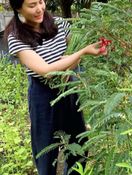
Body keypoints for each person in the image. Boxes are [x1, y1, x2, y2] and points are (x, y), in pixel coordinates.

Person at [4, 0, 107, 175]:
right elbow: (46, 71)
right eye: (31, 5)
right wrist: (81, 52)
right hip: (42, 95)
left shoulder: (60, 24)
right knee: (46, 152)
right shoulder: (16, 37)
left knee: (78, 147)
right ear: (18, 8)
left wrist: (72, 63)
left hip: (68, 90)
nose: (39, 8)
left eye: (41, 1)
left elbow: (72, 53)